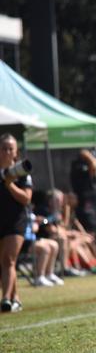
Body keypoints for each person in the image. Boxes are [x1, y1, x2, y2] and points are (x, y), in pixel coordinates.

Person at [0, 133, 31, 312]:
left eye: (10, 149)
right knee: (4, 263)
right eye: (3, 148)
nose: (6, 152)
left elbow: (26, 198)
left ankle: (5, 299)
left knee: (9, 260)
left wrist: (10, 184)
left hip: (16, 221)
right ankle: (15, 297)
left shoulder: (21, 173)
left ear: (16, 152)